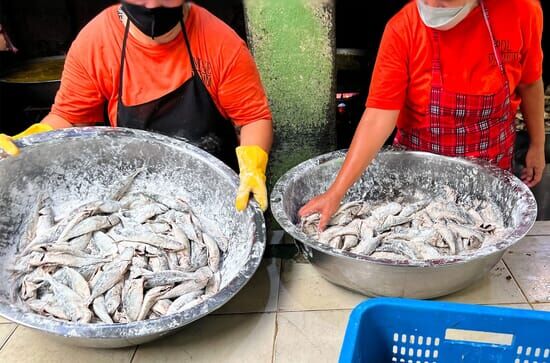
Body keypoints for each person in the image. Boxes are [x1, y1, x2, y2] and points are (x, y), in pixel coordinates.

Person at [0, 0, 273, 212]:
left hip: (213, 189)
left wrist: (253, 166)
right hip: (134, 193)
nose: (153, 6)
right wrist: (34, 140)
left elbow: (251, 117)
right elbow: (70, 117)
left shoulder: (221, 43)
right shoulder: (96, 42)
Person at [300, 0, 545, 230]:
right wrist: (336, 192)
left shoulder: (521, 10)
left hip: (490, 179)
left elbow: (530, 83)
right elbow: (378, 116)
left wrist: (537, 144)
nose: (433, 4)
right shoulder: (403, 28)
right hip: (415, 186)